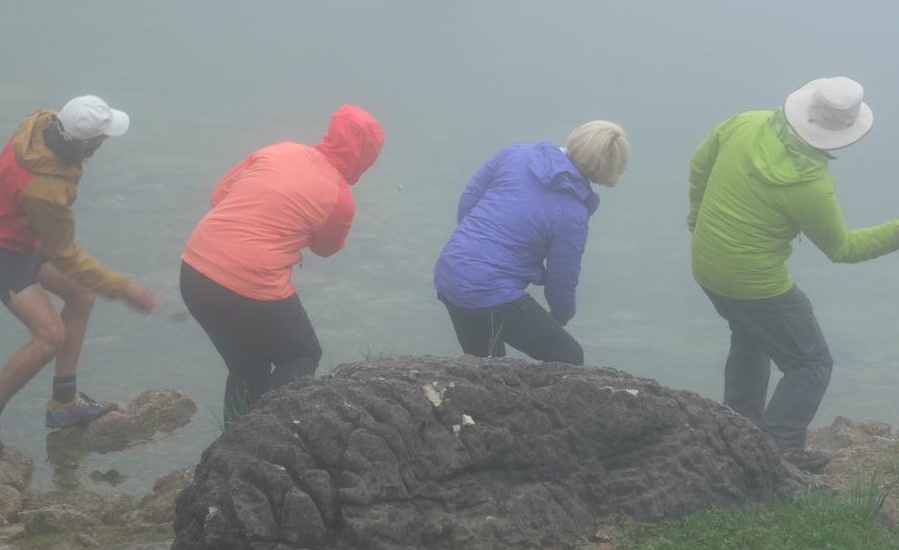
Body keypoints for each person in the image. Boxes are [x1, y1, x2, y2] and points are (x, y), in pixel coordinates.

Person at [688, 77, 899, 472]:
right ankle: (780, 448)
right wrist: (895, 234)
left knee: (750, 338)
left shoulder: (746, 123)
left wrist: (696, 213)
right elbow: (842, 248)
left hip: (708, 267)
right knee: (811, 363)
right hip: (756, 284)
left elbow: (700, 163)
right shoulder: (810, 185)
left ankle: (736, 432)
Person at [0, 95, 163, 456]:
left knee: (81, 294)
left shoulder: (41, 121)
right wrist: (125, 289)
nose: (106, 140)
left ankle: (65, 402)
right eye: (102, 136)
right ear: (83, 141)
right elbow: (66, 254)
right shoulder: (45, 189)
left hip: (19, 231)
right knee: (49, 335)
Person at [179, 105, 385, 423]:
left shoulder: (279, 150)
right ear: (367, 157)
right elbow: (326, 249)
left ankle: (231, 446)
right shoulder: (340, 199)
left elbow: (219, 196)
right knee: (301, 354)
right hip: (253, 284)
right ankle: (263, 438)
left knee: (247, 367)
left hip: (195, 271)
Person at [433, 121, 630, 365]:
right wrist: (561, 315)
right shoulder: (571, 213)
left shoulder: (516, 154)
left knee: (485, 364)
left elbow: (468, 203)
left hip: (450, 272)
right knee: (568, 356)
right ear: (609, 166)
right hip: (490, 290)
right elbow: (562, 278)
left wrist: (473, 247)